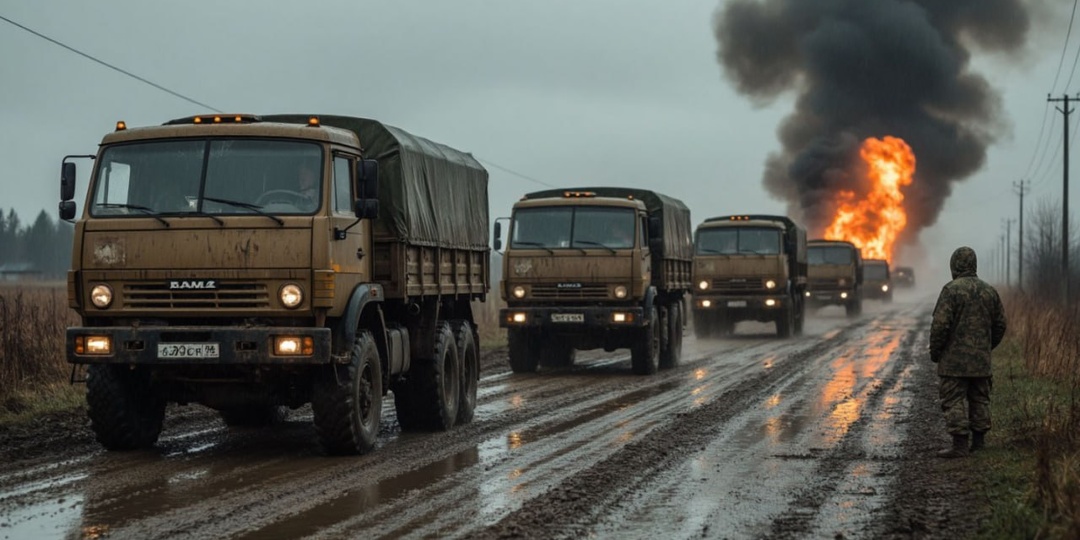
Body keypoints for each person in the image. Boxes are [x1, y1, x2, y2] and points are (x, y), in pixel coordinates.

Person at [929, 246, 1006, 458]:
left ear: (954, 265)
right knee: (980, 399)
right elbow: (1000, 324)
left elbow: (940, 326)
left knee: (953, 400)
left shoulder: (951, 291)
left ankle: (960, 445)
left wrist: (936, 352)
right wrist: (986, 347)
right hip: (981, 361)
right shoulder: (989, 291)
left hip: (953, 363)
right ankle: (979, 442)